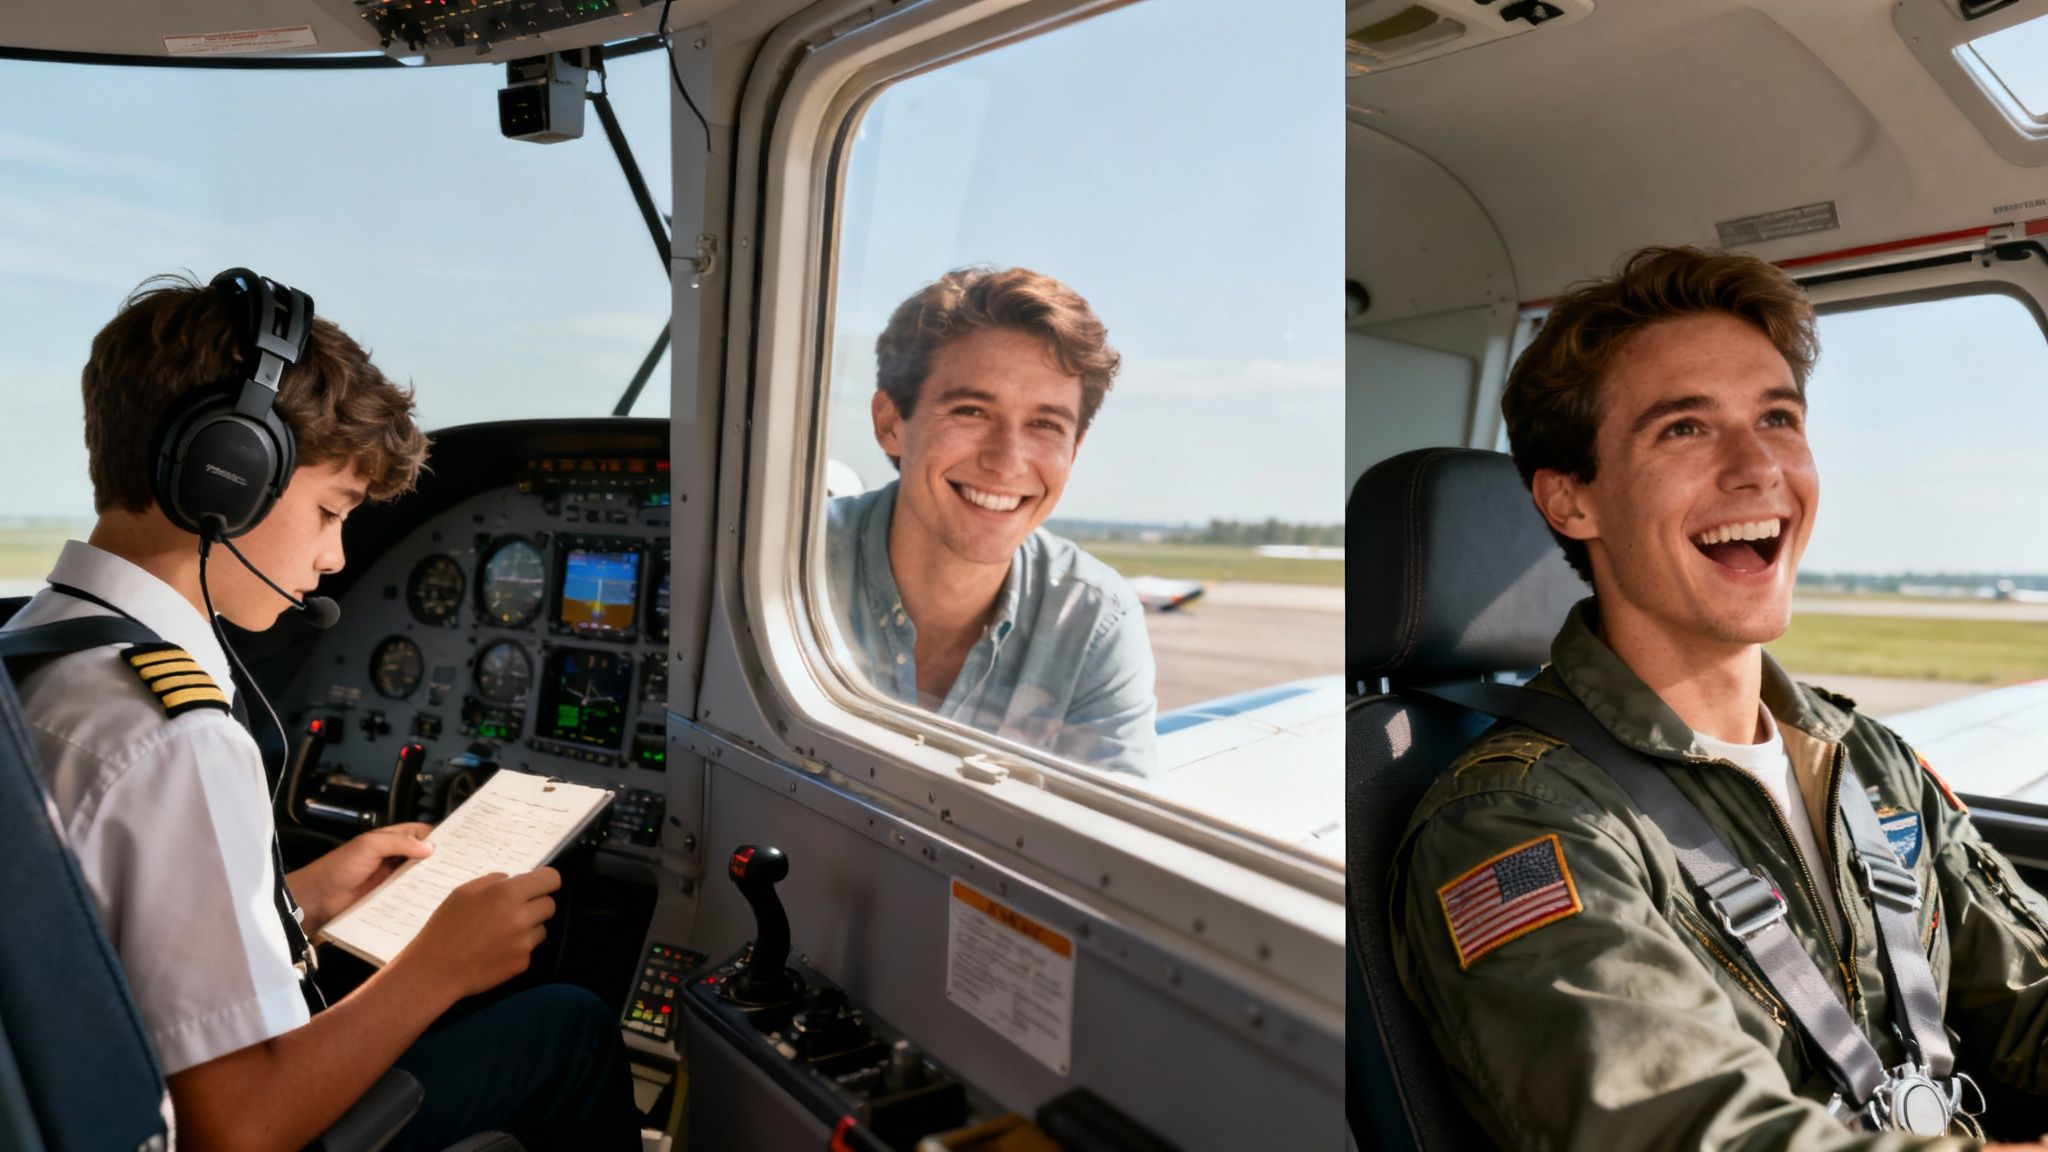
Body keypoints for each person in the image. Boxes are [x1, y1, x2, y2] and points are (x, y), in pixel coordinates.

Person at [1389, 246, 2048, 1150]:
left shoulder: (1864, 758)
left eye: (1778, 417)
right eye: (1684, 430)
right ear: (1570, 500)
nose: (1756, 468)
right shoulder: (1516, 827)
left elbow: (2030, 989)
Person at [5, 271, 638, 1152]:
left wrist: (294, 904)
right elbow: (238, 1128)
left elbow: (80, 946)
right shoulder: (178, 737)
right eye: (332, 510)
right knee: (567, 1027)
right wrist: (436, 971)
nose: (338, 557)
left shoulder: (40, 650)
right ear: (224, 476)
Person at [825, 266, 1157, 776]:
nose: (1007, 462)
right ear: (891, 424)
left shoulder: (1094, 623)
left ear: (1075, 449)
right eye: (971, 411)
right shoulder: (783, 562)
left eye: (1045, 425)